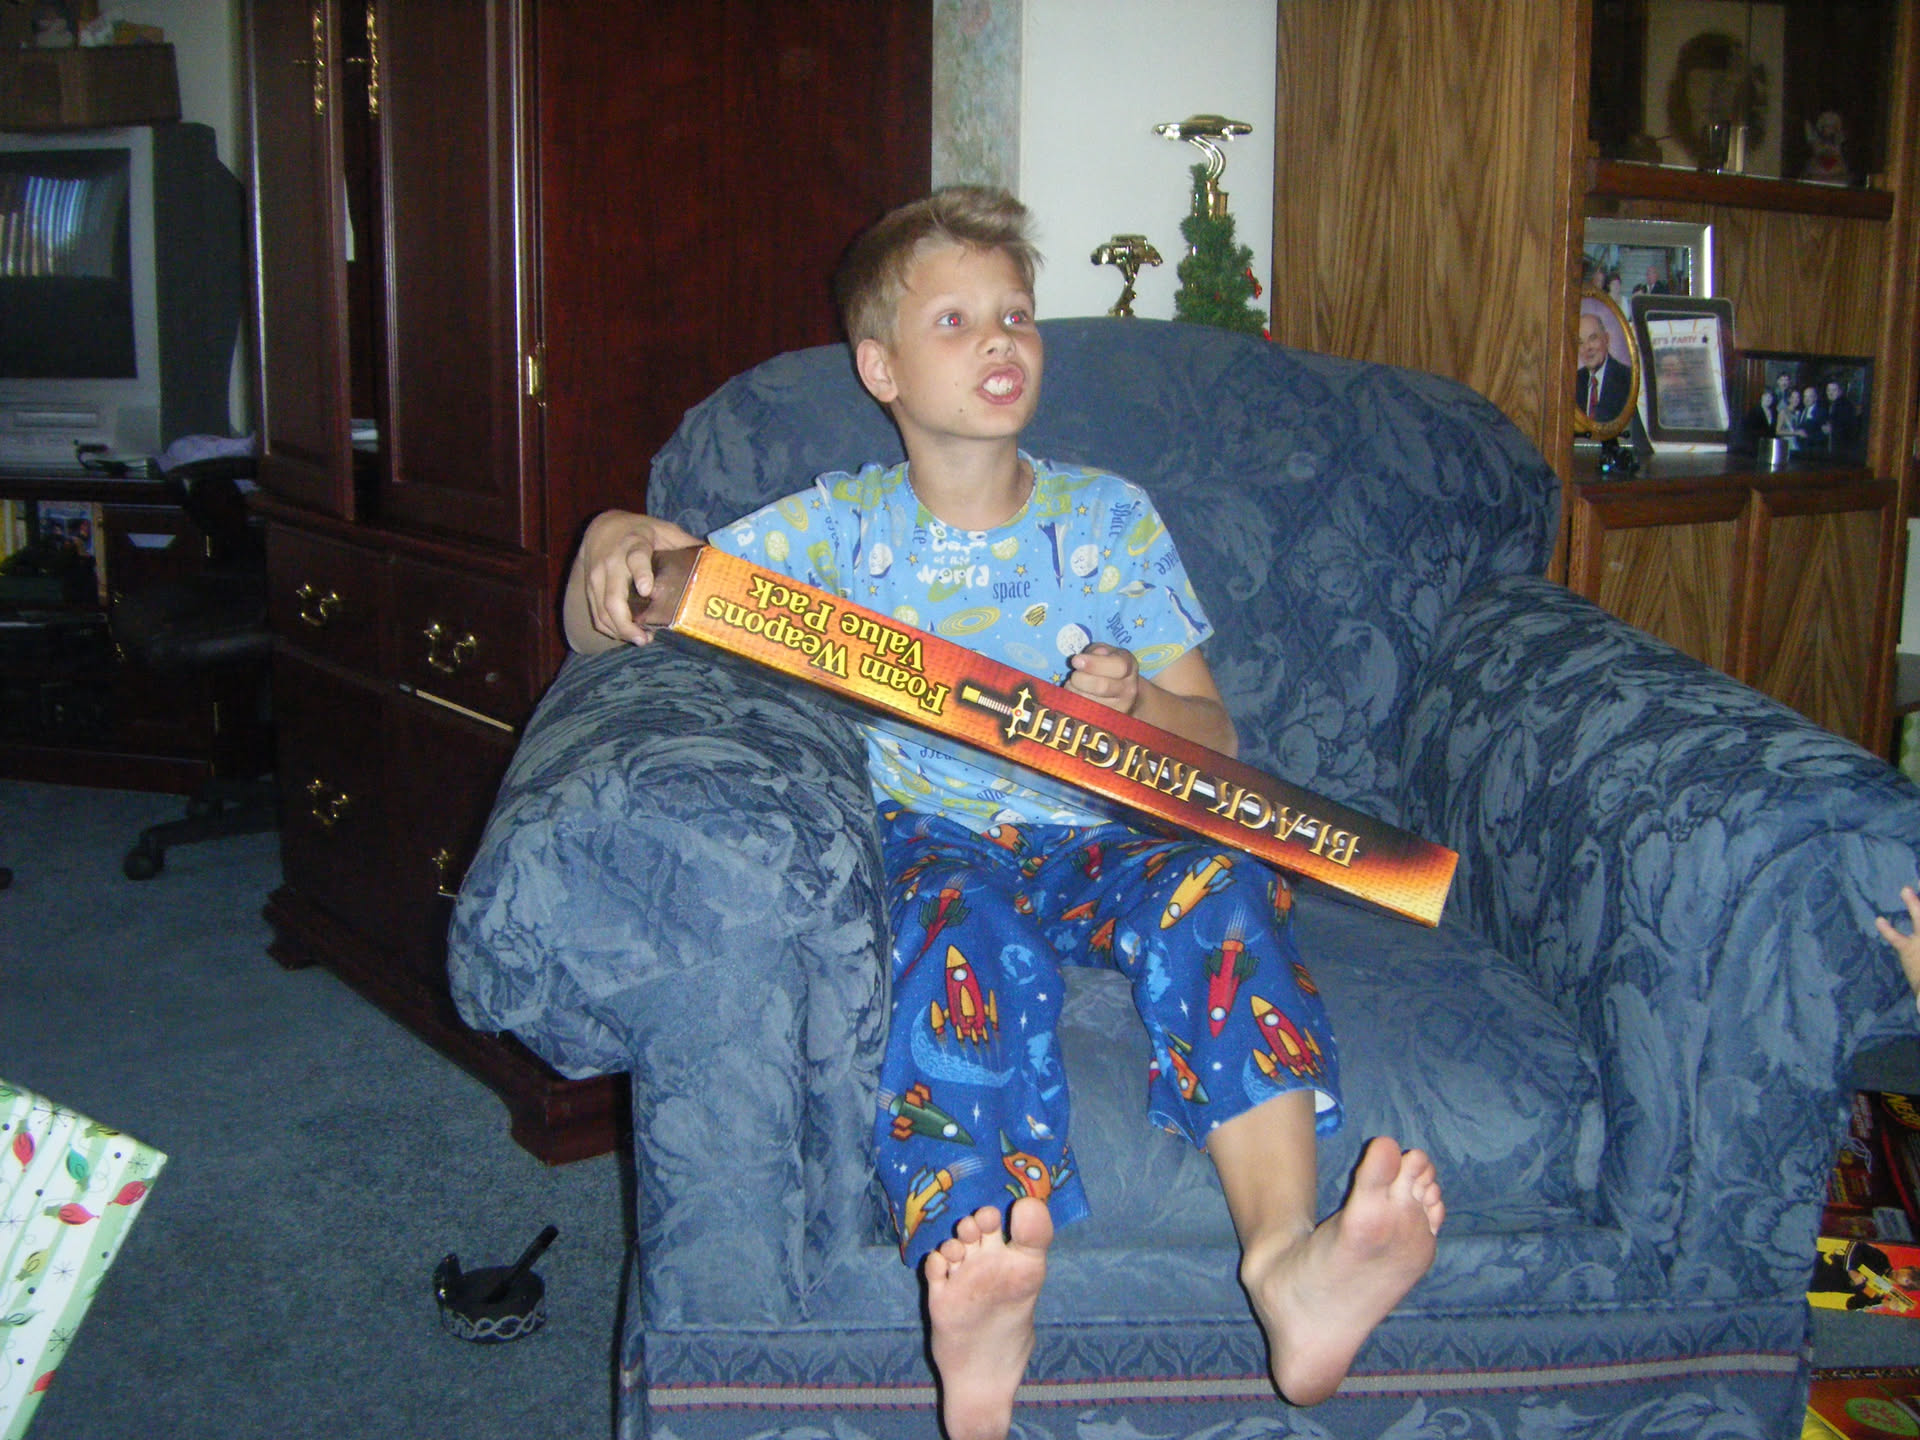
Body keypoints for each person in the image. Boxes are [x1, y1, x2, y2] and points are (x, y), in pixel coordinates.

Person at [563, 187, 1445, 1440]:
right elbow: (629, 611)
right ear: (880, 368)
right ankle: (977, 1292)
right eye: (956, 320)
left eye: (1017, 315)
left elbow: (1217, 745)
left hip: (1108, 833)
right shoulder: (839, 530)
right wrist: (608, 542)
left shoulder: (1109, 519)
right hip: (935, 837)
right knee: (955, 939)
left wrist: (1139, 703)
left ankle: (1289, 1266)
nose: (1000, 340)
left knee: (1227, 893)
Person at [1576, 310, 1631, 423]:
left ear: (1606, 339)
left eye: (1592, 338)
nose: (1587, 348)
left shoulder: (1628, 379)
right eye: (1580, 342)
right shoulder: (1573, 381)